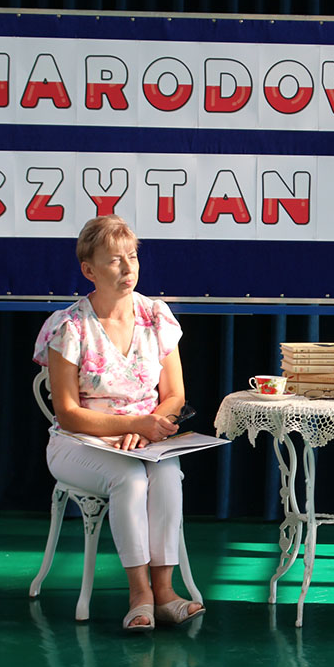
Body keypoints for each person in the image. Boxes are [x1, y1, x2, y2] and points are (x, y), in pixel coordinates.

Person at [33, 215, 204, 632]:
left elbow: (175, 396)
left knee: (167, 473)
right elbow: (67, 413)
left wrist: (147, 426)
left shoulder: (156, 316)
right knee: (130, 478)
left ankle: (165, 593)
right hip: (77, 443)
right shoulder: (69, 326)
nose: (128, 268)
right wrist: (133, 425)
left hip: (144, 439)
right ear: (89, 270)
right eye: (114, 260)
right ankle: (139, 595)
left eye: (132, 257)